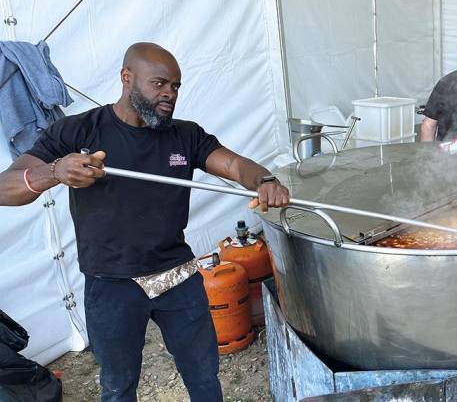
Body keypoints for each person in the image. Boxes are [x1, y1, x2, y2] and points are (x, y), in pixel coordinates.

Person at [0, 43, 291, 401]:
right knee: (119, 386)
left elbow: (234, 166)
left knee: (203, 375)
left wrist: (264, 181)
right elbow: (6, 187)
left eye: (176, 86)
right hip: (111, 283)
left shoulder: (186, 135)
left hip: (177, 276)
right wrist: (55, 171)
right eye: (159, 84)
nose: (170, 94)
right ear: (127, 77)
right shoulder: (78, 131)